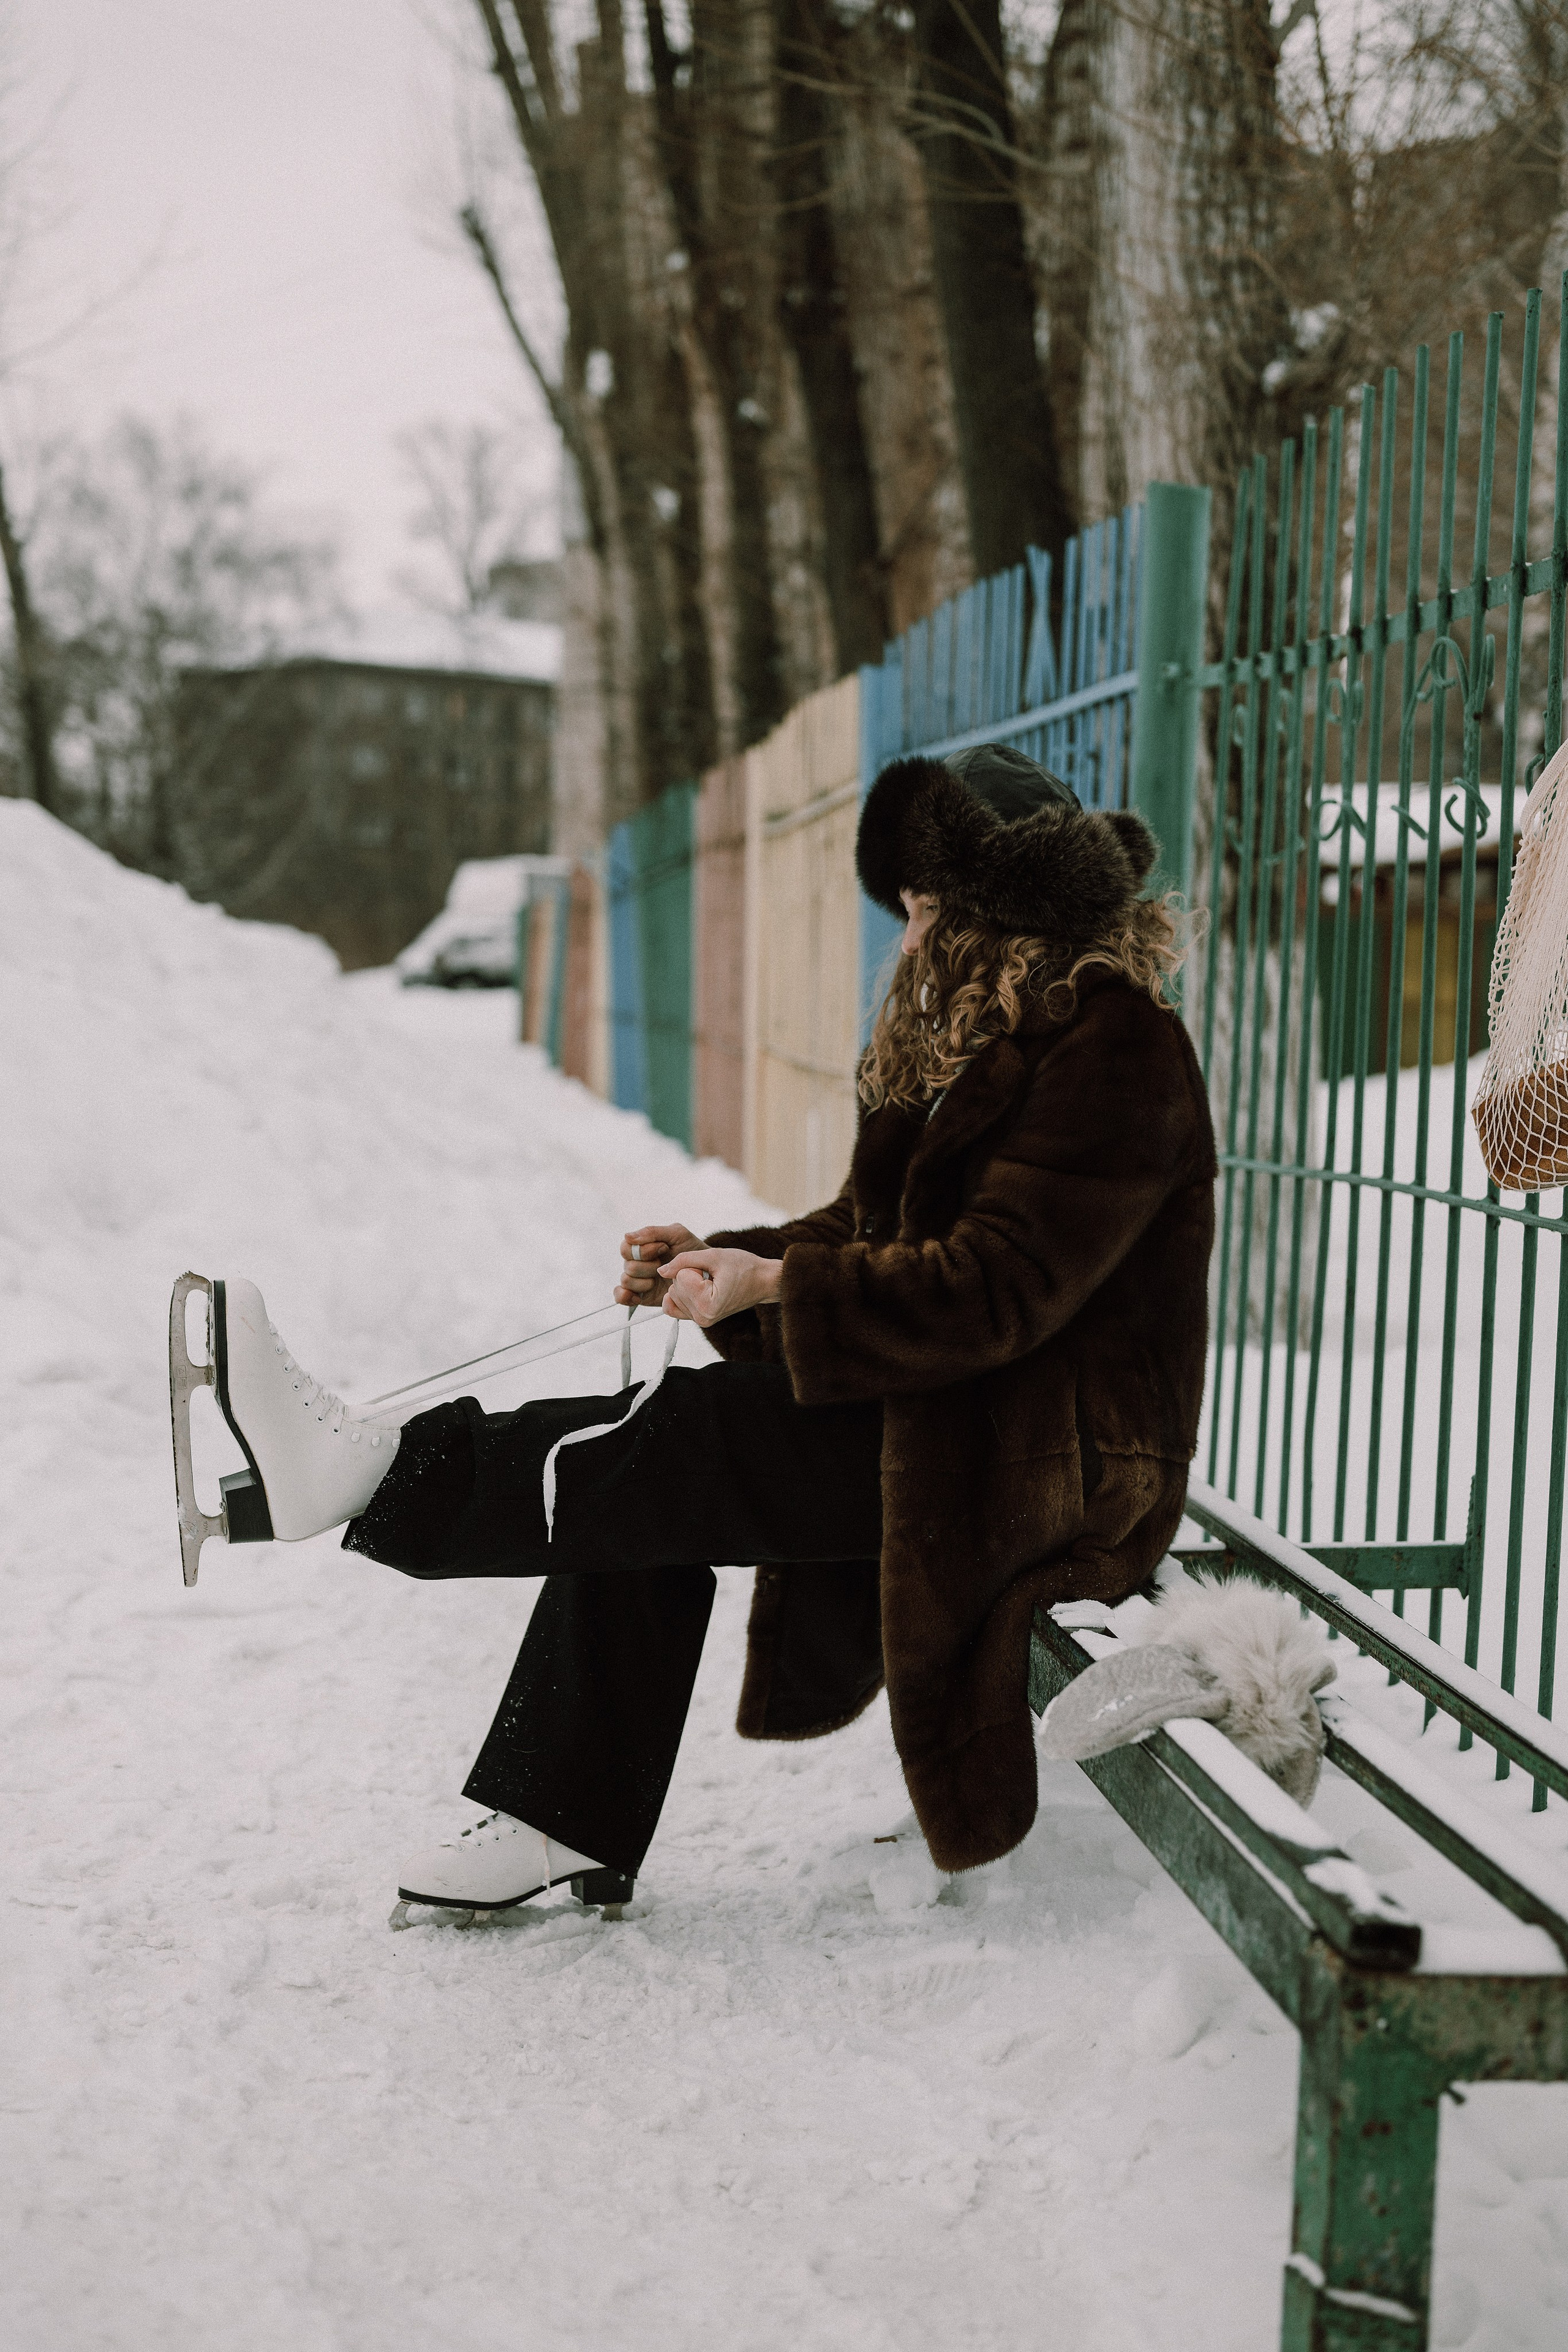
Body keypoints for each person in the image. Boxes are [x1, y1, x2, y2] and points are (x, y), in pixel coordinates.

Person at [195, 744, 1216, 1921]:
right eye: (909, 913)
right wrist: (735, 1262)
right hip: (956, 1415)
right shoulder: (973, 1040)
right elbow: (865, 1229)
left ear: (1011, 902)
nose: (913, 940)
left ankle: (363, 1471)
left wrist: (779, 1291)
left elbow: (998, 1288)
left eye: (930, 911)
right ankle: (553, 1816)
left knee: (680, 1440)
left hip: (1056, 1469)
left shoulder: (1118, 1050)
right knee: (663, 1461)